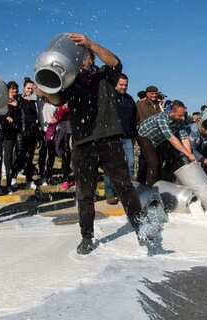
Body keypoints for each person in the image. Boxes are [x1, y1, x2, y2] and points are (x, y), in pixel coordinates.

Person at [34, 33, 151, 255]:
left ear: (91, 58)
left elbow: (115, 61)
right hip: (82, 144)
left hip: (109, 139)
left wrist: (90, 44)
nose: (79, 60)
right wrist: (45, 93)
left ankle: (141, 227)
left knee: (124, 187)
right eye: (76, 56)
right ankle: (87, 236)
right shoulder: (70, 80)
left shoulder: (104, 76)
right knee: (85, 194)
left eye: (83, 56)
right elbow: (59, 99)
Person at [137, 100, 196, 186]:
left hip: (158, 139)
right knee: (153, 163)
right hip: (145, 136)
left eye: (183, 116)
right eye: (179, 115)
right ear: (172, 112)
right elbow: (172, 139)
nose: (182, 118)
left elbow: (184, 138)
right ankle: (150, 189)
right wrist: (187, 153)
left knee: (157, 162)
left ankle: (149, 182)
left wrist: (190, 155)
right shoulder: (162, 118)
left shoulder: (180, 122)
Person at [103, 73, 137, 205]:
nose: (123, 87)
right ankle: (110, 193)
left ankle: (124, 191)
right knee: (111, 166)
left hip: (127, 137)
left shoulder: (129, 99)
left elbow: (133, 118)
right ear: (115, 84)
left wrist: (133, 135)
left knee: (130, 164)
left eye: (126, 85)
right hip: (112, 137)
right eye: (121, 85)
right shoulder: (109, 97)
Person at [11, 77, 39, 190]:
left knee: (29, 157)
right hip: (21, 133)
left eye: (32, 89)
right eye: (28, 88)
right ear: (23, 88)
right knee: (19, 156)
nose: (30, 91)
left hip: (32, 132)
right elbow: (13, 110)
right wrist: (19, 101)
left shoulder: (33, 101)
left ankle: (29, 179)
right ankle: (12, 178)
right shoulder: (18, 99)